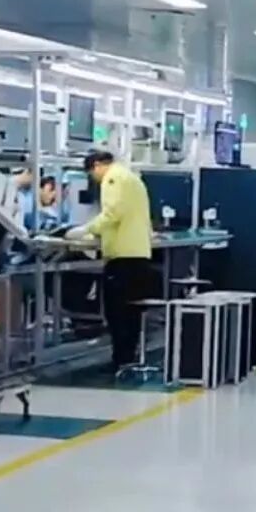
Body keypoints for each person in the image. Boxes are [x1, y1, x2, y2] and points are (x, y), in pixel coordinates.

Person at [75, 150, 157, 371]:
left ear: (97, 165)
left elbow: (112, 214)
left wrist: (87, 229)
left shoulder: (112, 178)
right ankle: (129, 358)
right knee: (131, 313)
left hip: (122, 257)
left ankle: (120, 360)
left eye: (91, 173)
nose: (94, 179)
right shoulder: (132, 178)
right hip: (139, 254)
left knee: (117, 313)